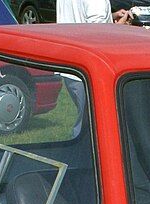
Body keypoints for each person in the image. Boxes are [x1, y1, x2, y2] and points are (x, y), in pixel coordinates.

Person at [56, 0, 133, 135]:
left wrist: (112, 16)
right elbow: (96, 34)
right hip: (90, 70)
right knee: (93, 126)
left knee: (87, 120)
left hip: (70, 66)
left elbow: (82, 20)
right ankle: (80, 155)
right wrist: (121, 26)